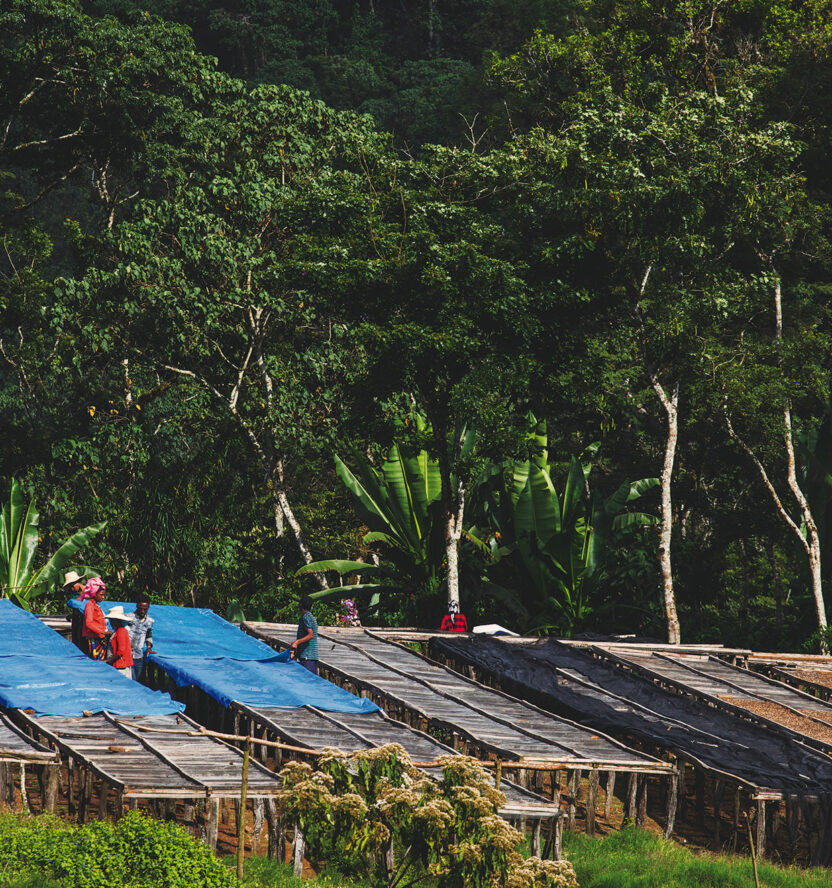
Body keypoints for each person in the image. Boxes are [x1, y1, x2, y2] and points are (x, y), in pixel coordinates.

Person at [81, 577, 111, 659]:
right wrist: (102, 632)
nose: (103, 597)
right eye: (101, 595)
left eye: (104, 595)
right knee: (96, 660)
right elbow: (88, 623)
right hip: (94, 638)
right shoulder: (90, 605)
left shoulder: (96, 605)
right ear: (94, 594)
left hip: (99, 637)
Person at [290, 595, 319, 675]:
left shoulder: (306, 617)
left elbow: (310, 635)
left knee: (308, 679)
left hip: (307, 656)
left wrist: (296, 642)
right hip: (310, 656)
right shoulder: (310, 616)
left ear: (301, 604)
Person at [127, 594, 154, 680]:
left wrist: (149, 647)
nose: (142, 611)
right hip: (127, 655)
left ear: (148, 608)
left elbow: (148, 635)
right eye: (140, 608)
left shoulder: (150, 621)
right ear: (137, 606)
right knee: (131, 679)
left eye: (145, 609)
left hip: (138, 656)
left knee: (138, 680)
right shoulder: (128, 617)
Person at [104, 606, 134, 679]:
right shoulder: (118, 631)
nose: (111, 623)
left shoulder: (121, 631)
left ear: (116, 620)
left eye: (112, 620)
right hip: (119, 665)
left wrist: (108, 660)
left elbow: (121, 651)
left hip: (122, 666)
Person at [64, 570, 87, 648]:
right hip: (77, 622)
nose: (71, 589)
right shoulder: (75, 595)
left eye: (72, 586)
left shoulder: (89, 592)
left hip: (84, 623)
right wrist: (71, 616)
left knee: (82, 643)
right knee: (77, 642)